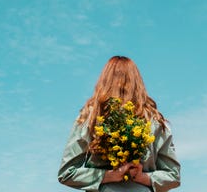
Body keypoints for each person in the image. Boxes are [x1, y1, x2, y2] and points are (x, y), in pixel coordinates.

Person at [58, 56, 181, 192]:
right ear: (137, 81)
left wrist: (107, 176)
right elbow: (173, 176)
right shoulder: (155, 121)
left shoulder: (90, 117)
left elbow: (67, 173)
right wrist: (142, 177)